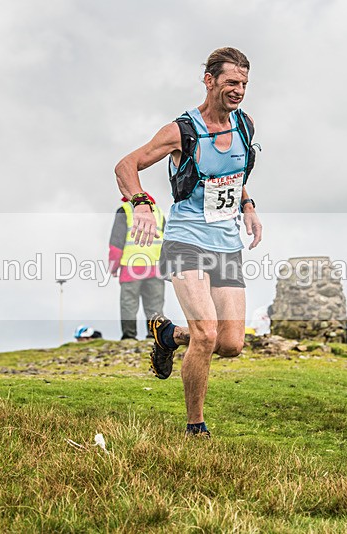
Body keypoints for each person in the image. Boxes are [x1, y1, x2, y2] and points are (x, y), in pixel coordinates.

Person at [114, 47, 263, 437]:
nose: (239, 90)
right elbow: (126, 165)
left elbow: (232, 174)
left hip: (226, 242)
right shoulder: (182, 131)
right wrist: (141, 203)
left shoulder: (245, 126)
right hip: (186, 240)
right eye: (232, 82)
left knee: (230, 343)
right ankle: (195, 426)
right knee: (207, 333)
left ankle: (169, 335)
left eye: (244, 83)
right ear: (209, 81)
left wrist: (248, 205)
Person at [108, 196, 166, 340]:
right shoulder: (158, 212)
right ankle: (155, 337)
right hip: (155, 267)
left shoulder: (125, 210)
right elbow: (167, 241)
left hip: (131, 267)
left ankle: (129, 336)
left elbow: (116, 243)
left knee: (129, 303)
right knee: (155, 305)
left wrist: (113, 267)